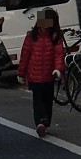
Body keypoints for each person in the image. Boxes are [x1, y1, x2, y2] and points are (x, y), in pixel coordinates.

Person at [16, 8, 66, 138]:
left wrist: (58, 69)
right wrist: (21, 73)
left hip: (49, 75)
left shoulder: (55, 37)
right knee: (38, 100)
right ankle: (41, 122)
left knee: (47, 100)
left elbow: (59, 55)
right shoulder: (31, 36)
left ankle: (44, 123)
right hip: (35, 76)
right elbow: (25, 55)